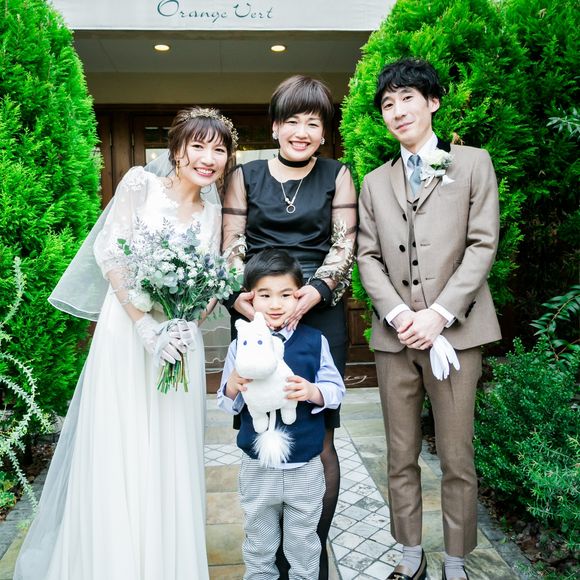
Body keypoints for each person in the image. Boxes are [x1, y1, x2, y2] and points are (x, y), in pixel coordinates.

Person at [14, 107, 238, 580]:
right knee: (122, 445)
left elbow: (210, 282)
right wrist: (143, 326)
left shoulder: (213, 211)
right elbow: (112, 254)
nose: (208, 158)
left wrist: (187, 323)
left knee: (172, 451)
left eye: (219, 150)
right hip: (127, 335)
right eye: (198, 146)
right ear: (176, 150)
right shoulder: (140, 184)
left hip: (178, 342)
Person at [357, 58, 501, 580]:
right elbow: (367, 256)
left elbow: (483, 244)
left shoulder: (473, 163)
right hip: (395, 340)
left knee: (458, 455)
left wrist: (438, 315)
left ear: (432, 102)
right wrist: (399, 314)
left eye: (407, 99)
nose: (397, 111)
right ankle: (410, 555)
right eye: (387, 104)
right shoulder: (374, 182)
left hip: (457, 335)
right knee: (400, 454)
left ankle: (457, 559)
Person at [222, 75, 356, 579]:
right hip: (258, 311)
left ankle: (307, 558)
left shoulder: (339, 174)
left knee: (318, 437)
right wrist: (246, 300)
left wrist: (313, 293)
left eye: (314, 123)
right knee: (261, 422)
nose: (302, 131)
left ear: (324, 133)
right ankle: (267, 557)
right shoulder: (246, 175)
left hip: (318, 310)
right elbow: (232, 243)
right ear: (276, 126)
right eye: (292, 121)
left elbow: (345, 245)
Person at [217, 249, 345, 580]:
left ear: (299, 295)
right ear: (250, 298)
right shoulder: (241, 345)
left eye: (285, 295)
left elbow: (336, 390)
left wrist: (313, 392)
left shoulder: (315, 341)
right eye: (265, 295)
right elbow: (225, 402)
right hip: (258, 467)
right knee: (259, 544)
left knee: (304, 544)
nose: (275, 304)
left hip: (305, 466)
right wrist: (232, 386)